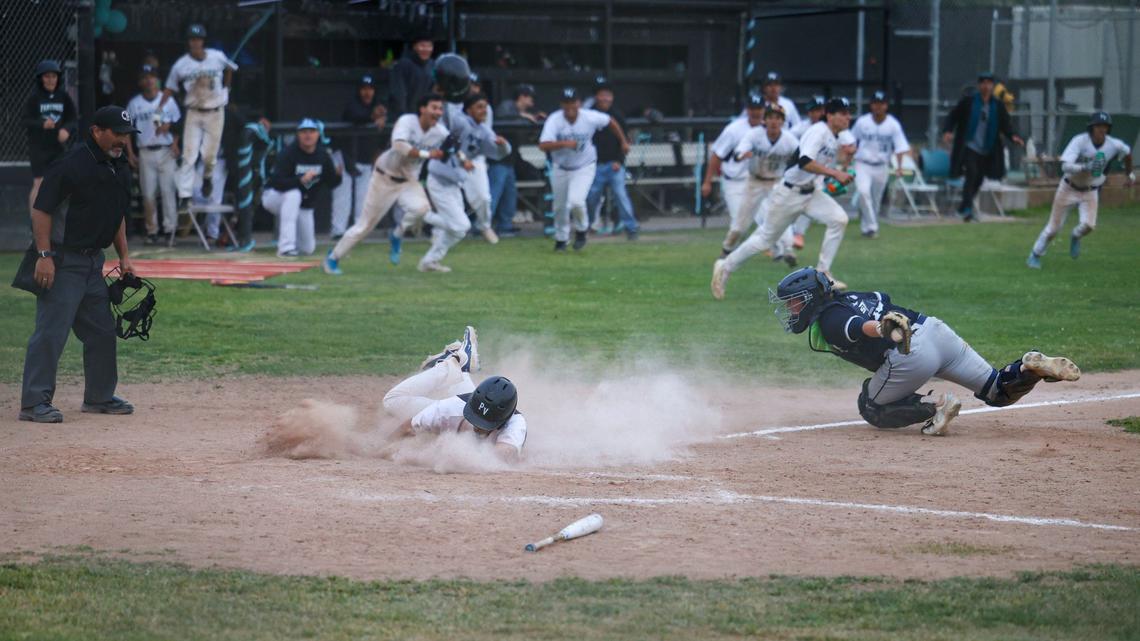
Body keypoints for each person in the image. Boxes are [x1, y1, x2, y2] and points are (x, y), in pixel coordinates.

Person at [768, 267, 1081, 436]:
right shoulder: (851, 298)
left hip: (909, 351)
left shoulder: (830, 319)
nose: (790, 309)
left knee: (871, 406)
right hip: (936, 331)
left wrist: (882, 329)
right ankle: (1028, 368)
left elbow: (857, 326)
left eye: (793, 301)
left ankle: (937, 406)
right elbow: (879, 299)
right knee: (998, 390)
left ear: (810, 298)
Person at [19, 106, 139, 423]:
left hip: (92, 263)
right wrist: (44, 257)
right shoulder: (71, 165)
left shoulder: (118, 166)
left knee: (101, 331)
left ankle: (99, 397)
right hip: (61, 259)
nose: (122, 140)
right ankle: (33, 402)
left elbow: (116, 214)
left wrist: (124, 256)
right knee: (51, 332)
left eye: (126, 135)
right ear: (97, 130)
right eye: (117, 133)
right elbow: (41, 210)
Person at [712, 97, 855, 300]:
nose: (848, 117)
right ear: (830, 115)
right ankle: (724, 266)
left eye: (848, 112)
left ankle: (823, 273)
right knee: (764, 240)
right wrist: (835, 174)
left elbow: (825, 161)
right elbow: (805, 161)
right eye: (843, 113)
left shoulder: (835, 135)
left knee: (839, 219)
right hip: (789, 193)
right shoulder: (819, 131)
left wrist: (844, 162)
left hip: (810, 192)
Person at [323, 93, 449, 274]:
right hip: (384, 177)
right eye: (434, 108)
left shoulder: (440, 131)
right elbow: (398, 145)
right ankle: (332, 258)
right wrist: (426, 155)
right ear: (422, 108)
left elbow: (454, 144)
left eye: (440, 109)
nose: (438, 112)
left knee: (422, 210)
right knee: (365, 226)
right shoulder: (407, 121)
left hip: (408, 181)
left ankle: (396, 235)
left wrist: (460, 156)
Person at [382, 326, 525, 463]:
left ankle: (458, 363)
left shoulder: (515, 424)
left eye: (483, 423)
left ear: (502, 422)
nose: (477, 426)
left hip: (461, 400)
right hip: (457, 402)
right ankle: (453, 362)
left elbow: (504, 454)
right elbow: (408, 427)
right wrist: (383, 449)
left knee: (458, 385)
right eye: (475, 417)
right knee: (392, 401)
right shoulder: (449, 408)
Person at [1028, 111, 1133, 268]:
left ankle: (1075, 236)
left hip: (1090, 190)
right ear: (1091, 128)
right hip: (1069, 187)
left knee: (1089, 225)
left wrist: (1129, 174)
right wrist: (1084, 166)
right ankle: (1034, 255)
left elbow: (1127, 152)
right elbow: (1064, 166)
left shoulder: (1113, 144)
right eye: (1098, 126)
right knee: (1053, 229)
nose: (1101, 130)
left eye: (1105, 126)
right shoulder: (1079, 141)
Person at [422, 93, 511, 272]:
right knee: (461, 225)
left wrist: (503, 145)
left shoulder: (484, 130)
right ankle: (422, 216)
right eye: (479, 107)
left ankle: (429, 261)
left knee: (458, 229)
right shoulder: (460, 122)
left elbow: (498, 153)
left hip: (454, 181)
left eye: (485, 107)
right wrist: (463, 161)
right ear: (469, 109)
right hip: (440, 177)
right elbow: (449, 143)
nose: (483, 110)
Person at [538, 87, 631, 252]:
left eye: (572, 103)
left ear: (578, 103)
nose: (570, 107)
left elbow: (610, 121)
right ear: (561, 104)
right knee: (559, 207)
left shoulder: (589, 117)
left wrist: (623, 141)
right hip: (560, 166)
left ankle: (581, 230)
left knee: (576, 201)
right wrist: (565, 144)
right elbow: (543, 145)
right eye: (566, 103)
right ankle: (561, 240)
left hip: (584, 166)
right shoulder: (555, 120)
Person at [161, 23, 238, 204]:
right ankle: (185, 195)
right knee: (189, 155)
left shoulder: (217, 56)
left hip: (215, 111)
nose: (195, 43)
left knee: (209, 157)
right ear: (188, 42)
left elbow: (230, 68)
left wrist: (227, 88)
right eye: (192, 39)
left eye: (198, 39)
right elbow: (170, 88)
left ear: (203, 41)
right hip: (194, 112)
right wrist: (159, 109)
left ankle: (207, 178)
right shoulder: (181, 64)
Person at [719, 105, 800, 271]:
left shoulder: (789, 139)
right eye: (770, 117)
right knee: (741, 225)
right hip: (754, 182)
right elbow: (739, 151)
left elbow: (802, 158)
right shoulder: (755, 135)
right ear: (765, 120)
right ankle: (727, 248)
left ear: (783, 121)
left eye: (778, 118)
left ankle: (788, 250)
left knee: (781, 214)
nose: (774, 121)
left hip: (776, 181)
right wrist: (742, 154)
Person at [941, 72, 1023, 222]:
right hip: (969, 146)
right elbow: (953, 116)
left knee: (979, 179)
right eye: (983, 83)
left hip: (987, 148)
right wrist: (948, 130)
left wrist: (1013, 136)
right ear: (979, 85)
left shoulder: (997, 106)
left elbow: (1006, 125)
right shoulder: (969, 102)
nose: (986, 86)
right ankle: (967, 209)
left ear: (992, 86)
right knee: (971, 173)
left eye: (989, 83)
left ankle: (964, 206)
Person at [261, 119, 342, 257]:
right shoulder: (288, 153)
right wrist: (300, 180)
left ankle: (293, 244)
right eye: (304, 132)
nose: (308, 135)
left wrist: (338, 176)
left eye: (312, 132)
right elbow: (276, 182)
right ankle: (285, 247)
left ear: (318, 134)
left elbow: (331, 183)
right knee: (294, 194)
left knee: (307, 248)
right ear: (298, 135)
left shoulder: (323, 156)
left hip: (304, 204)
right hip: (274, 196)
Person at [703, 94, 766, 258]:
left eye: (759, 109)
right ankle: (727, 252)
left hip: (757, 181)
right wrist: (707, 182)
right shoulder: (734, 129)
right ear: (747, 110)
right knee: (739, 225)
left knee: (767, 218)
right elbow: (716, 155)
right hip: (734, 182)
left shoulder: (769, 129)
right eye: (753, 109)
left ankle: (780, 252)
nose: (756, 112)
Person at [126, 64, 181, 245]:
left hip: (166, 151)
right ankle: (152, 231)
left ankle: (169, 230)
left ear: (158, 80)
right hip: (145, 152)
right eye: (146, 77)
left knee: (168, 192)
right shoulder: (135, 103)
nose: (149, 80)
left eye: (153, 76)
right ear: (141, 81)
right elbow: (126, 131)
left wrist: (175, 143)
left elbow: (179, 124)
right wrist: (131, 153)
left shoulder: (168, 101)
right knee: (148, 194)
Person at [850, 90, 910, 239]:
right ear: (871, 105)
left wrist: (899, 167)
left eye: (881, 104)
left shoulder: (893, 124)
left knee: (875, 200)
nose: (878, 107)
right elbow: (851, 142)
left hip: (881, 165)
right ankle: (872, 227)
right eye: (875, 103)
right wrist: (846, 162)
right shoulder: (862, 122)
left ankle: (866, 228)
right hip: (862, 163)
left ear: (886, 106)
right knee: (863, 192)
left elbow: (900, 146)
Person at [333, 74, 386, 240]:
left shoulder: (379, 107)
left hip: (365, 158)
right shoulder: (352, 105)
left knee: (363, 197)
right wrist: (373, 116)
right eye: (364, 89)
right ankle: (338, 231)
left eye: (370, 89)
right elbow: (355, 115)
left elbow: (383, 136)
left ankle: (359, 231)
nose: (367, 93)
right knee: (343, 196)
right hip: (345, 156)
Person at [584, 80, 639, 240]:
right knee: (591, 198)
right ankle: (584, 227)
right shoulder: (588, 114)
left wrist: (619, 160)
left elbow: (625, 141)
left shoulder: (617, 115)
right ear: (596, 97)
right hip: (594, 165)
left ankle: (631, 228)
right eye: (602, 95)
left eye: (608, 95)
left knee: (621, 196)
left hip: (614, 164)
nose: (605, 98)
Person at [23, 60, 77, 216]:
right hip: (38, 148)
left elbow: (72, 118)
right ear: (40, 78)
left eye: (54, 76)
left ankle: (57, 223)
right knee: (39, 183)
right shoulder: (34, 97)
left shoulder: (63, 96)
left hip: (58, 148)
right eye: (47, 76)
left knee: (61, 183)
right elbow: (25, 120)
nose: (51, 80)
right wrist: (41, 124)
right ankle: (35, 226)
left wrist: (66, 129)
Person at [490, 84, 544, 236]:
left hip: (510, 161)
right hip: (497, 160)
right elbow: (502, 118)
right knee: (493, 195)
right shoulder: (507, 106)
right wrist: (523, 117)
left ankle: (505, 227)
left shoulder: (522, 113)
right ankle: (482, 227)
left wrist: (533, 121)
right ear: (522, 96)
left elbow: (529, 137)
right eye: (530, 97)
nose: (532, 101)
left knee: (509, 195)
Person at [789, 95, 827, 249]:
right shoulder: (799, 129)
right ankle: (786, 235)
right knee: (791, 203)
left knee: (810, 199)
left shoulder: (829, 128)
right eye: (814, 110)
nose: (817, 114)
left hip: (818, 171)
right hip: (799, 171)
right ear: (809, 112)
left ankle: (798, 234)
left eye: (820, 110)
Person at [231, 113, 272, 252]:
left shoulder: (264, 141)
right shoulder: (249, 130)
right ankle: (239, 238)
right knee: (240, 208)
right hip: (242, 175)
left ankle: (245, 239)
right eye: (262, 123)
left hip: (257, 178)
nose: (264, 126)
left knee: (250, 207)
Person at [389, 36, 435, 117]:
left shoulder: (432, 65)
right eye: (422, 45)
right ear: (414, 47)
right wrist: (404, 116)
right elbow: (399, 94)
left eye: (429, 46)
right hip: (406, 116)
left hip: (426, 116)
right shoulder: (403, 65)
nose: (426, 49)